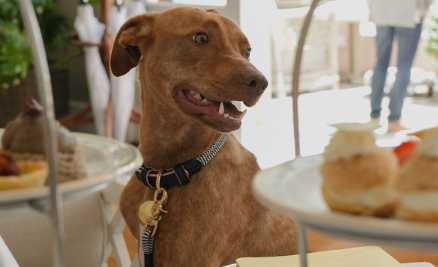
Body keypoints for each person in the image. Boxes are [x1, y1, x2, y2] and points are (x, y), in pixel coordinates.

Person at [368, 0, 433, 131]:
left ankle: (374, 117)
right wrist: (426, 5)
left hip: (382, 12)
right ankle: (394, 119)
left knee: (380, 64)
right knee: (404, 66)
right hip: (409, 13)